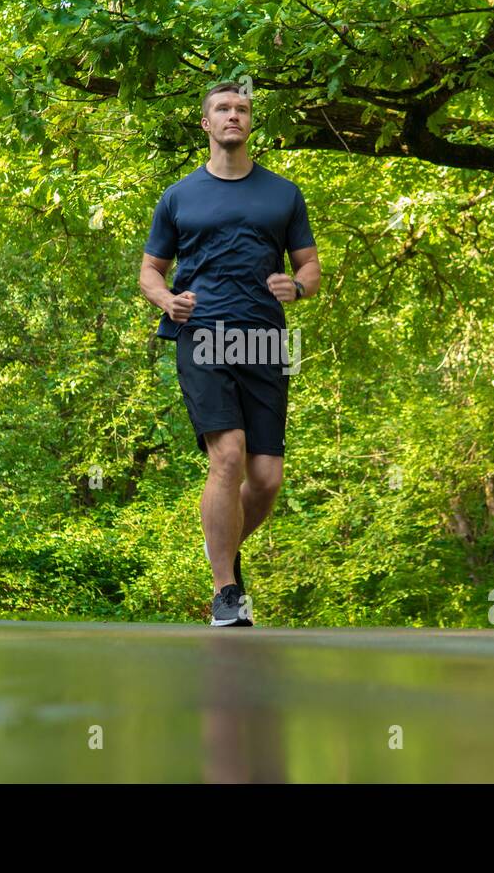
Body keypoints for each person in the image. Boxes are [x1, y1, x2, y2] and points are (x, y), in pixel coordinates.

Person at [138, 80, 321, 627]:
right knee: (229, 455)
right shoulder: (179, 196)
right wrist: (168, 300)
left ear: (250, 122)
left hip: (264, 338)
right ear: (207, 124)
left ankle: (222, 544)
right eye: (223, 108)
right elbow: (150, 270)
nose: (233, 116)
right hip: (204, 334)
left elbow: (309, 266)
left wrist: (300, 286)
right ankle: (226, 592)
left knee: (265, 478)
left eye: (242, 109)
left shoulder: (282, 194)